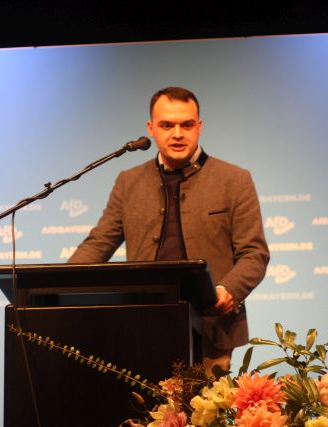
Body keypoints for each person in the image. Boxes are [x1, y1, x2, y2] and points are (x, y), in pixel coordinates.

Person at [68, 86, 269, 374]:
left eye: (186, 125)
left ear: (199, 127)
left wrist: (228, 290)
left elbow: (254, 254)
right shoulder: (128, 182)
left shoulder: (234, 180)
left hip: (212, 331)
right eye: (166, 125)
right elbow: (100, 243)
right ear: (151, 128)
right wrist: (60, 285)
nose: (177, 134)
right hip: (141, 327)